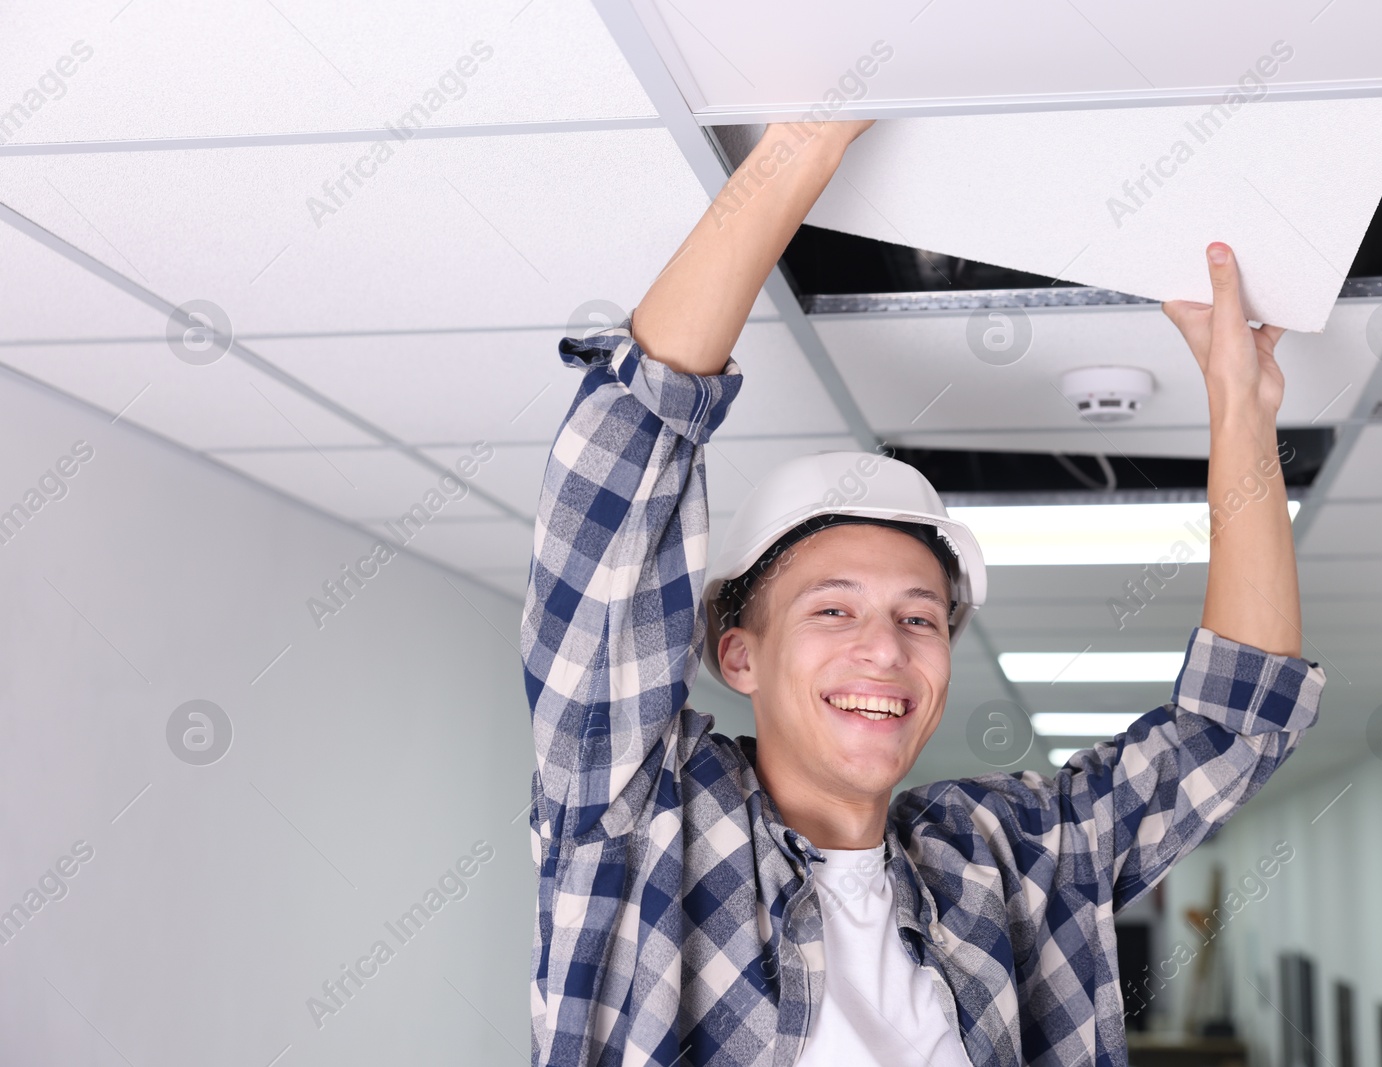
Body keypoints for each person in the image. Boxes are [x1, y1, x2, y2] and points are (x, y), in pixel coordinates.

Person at [520, 118, 1325, 1066]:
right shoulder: (641, 818)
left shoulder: (1006, 860)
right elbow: (625, 455)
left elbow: (1235, 726)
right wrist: (802, 144)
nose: (886, 648)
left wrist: (1240, 402)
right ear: (738, 651)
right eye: (833, 609)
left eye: (918, 616)